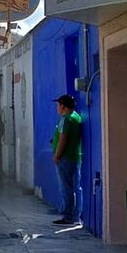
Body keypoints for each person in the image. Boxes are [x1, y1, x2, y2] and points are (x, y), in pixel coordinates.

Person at [52, 94, 84, 225]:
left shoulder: (65, 119)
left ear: (63, 106)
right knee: (76, 187)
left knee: (66, 188)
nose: (57, 108)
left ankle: (68, 216)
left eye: (58, 105)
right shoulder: (76, 117)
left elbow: (63, 138)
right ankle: (76, 216)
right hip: (75, 157)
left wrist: (57, 155)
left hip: (65, 158)